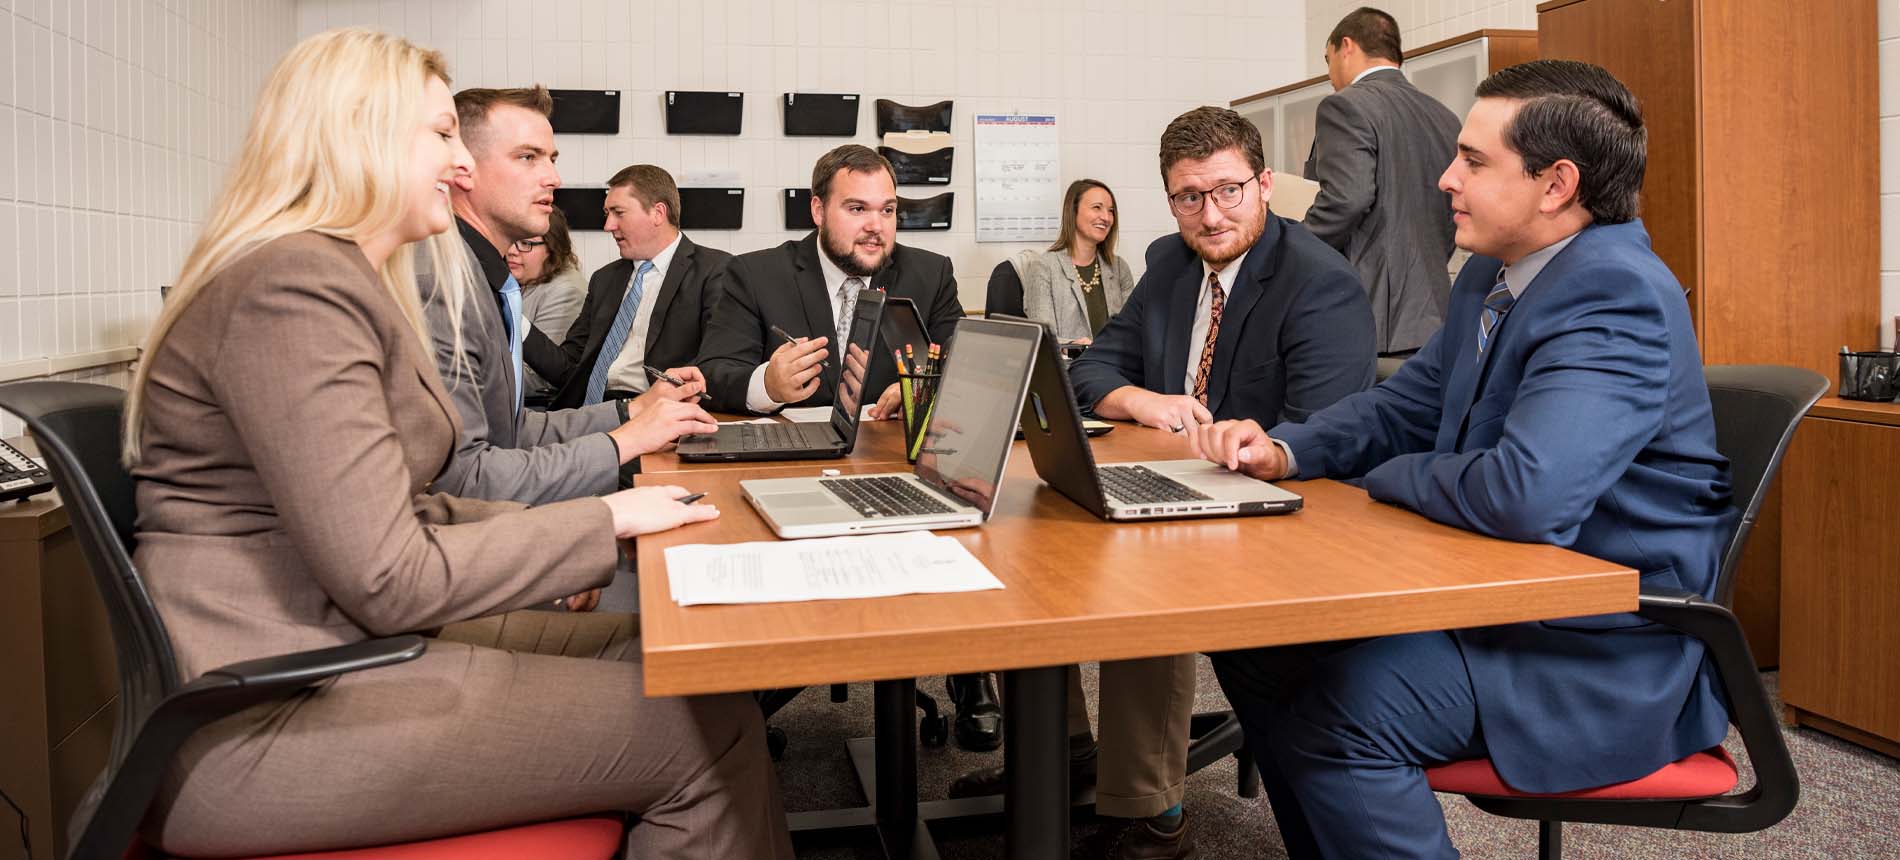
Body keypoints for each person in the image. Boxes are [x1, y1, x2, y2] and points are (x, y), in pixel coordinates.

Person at [121, 28, 793, 858]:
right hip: (271, 717)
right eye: (441, 135)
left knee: (681, 661)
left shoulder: (330, 278)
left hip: (336, 658)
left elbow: (420, 502)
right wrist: (605, 524)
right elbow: (391, 574)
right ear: (359, 132)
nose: (459, 162)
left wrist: (605, 519)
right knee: (708, 733)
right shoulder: (290, 288)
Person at [1194, 60, 1735, 859]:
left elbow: (1527, 497)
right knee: (1259, 648)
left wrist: (1387, 479)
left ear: (1557, 185)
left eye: (1474, 162)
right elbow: (1405, 405)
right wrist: (1285, 448)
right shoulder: (1494, 271)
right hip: (1502, 595)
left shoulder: (1617, 295)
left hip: (1598, 647)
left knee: (1344, 710)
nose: (1446, 178)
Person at [981, 106, 1374, 860]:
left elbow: (1329, 438)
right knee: (1019, 538)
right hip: (1176, 487)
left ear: (1264, 185)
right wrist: (1142, 399)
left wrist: (1252, 449)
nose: (1211, 213)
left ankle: (1149, 812)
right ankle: (1063, 756)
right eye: (1188, 196)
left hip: (1280, 514)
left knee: (1143, 574)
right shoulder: (1169, 265)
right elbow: (1091, 368)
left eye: (1227, 190)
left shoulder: (1318, 283)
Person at [427, 86, 716, 505]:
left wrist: (630, 414)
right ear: (462, 169)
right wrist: (622, 444)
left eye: (551, 160)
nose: (554, 179)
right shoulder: (445, 286)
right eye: (528, 157)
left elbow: (511, 430)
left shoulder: (482, 277)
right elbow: (466, 480)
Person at [696, 144, 963, 418]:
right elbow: (714, 375)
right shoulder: (755, 274)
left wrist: (923, 391)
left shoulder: (931, 274)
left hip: (892, 451)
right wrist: (768, 385)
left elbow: (970, 370)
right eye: (858, 209)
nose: (876, 226)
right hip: (796, 455)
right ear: (818, 211)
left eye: (887, 210)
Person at [1303, 7, 1463, 358]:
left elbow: (1347, 200)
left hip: (1372, 317)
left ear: (1347, 46)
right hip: (1437, 313)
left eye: (1328, 59)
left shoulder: (1344, 107)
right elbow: (1456, 208)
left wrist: (1294, 248)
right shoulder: (1444, 116)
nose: (1329, 74)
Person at [524, 164, 732, 410]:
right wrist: (516, 320)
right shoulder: (606, 279)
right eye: (607, 214)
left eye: (618, 212)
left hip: (656, 412)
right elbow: (568, 367)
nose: (608, 225)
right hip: (589, 412)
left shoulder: (715, 271)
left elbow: (718, 364)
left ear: (658, 213)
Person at [1018, 179, 1136, 344]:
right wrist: (1072, 345)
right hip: (1069, 367)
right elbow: (1044, 340)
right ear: (1073, 212)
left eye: (1111, 211)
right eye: (1097, 207)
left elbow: (1132, 331)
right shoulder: (1043, 267)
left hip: (1114, 366)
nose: (1106, 217)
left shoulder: (1119, 268)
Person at [506, 205, 586, 404]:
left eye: (526, 243)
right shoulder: (522, 280)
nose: (512, 252)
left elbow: (541, 377)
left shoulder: (566, 291)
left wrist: (474, 375)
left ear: (553, 248)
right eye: (510, 240)